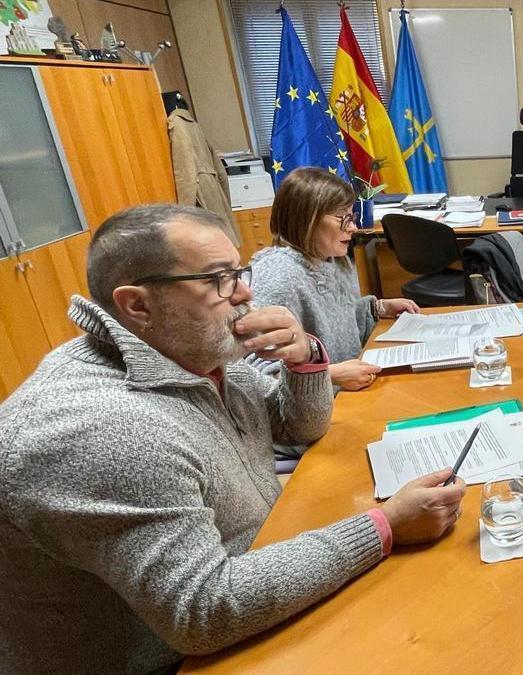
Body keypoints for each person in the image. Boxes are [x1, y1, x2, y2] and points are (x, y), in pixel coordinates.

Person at [0, 205, 466, 673]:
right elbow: (203, 611)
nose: (245, 292)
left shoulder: (194, 354)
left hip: (255, 575)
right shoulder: (105, 430)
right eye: (219, 279)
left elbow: (297, 426)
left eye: (239, 272)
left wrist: (305, 359)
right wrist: (384, 526)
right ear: (138, 306)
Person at [249, 167, 420, 391]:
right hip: (316, 406)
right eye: (342, 218)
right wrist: (332, 375)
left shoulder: (331, 260)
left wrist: (376, 308)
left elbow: (337, 326)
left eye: (352, 217)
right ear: (307, 219)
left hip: (347, 393)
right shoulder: (279, 275)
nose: (353, 228)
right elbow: (258, 375)